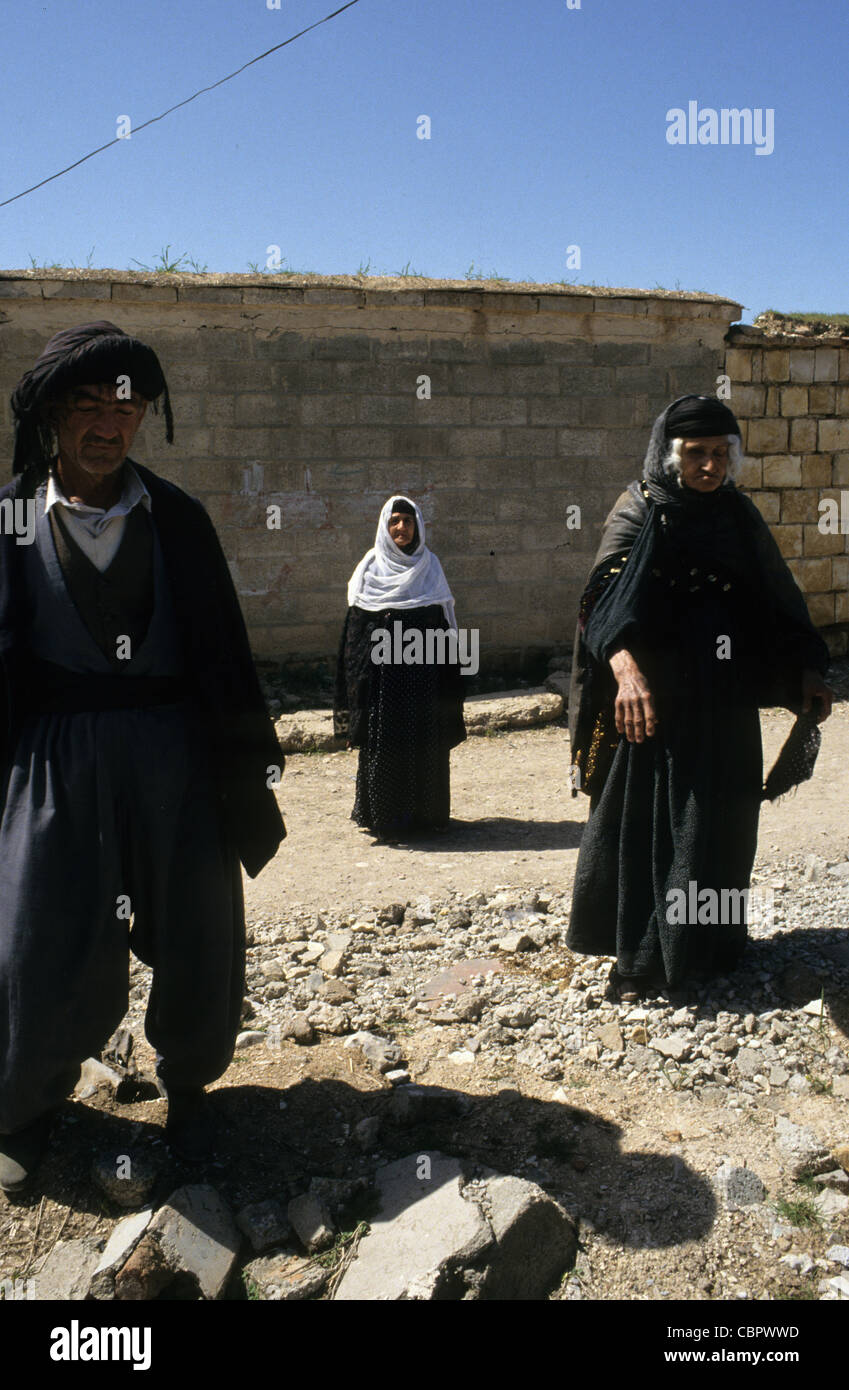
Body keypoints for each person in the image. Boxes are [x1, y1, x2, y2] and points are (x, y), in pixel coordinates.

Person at [0, 321, 285, 1189]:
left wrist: (241, 771)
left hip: (174, 759)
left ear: (144, 417)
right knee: (32, 936)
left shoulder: (181, 521)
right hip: (54, 763)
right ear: (52, 415)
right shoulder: (10, 519)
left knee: (200, 928)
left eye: (124, 405)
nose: (105, 422)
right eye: (84, 404)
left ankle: (191, 1087)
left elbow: (226, 655)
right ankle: (25, 1104)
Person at [566, 395, 832, 1000]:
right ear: (670, 453)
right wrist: (627, 673)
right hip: (654, 704)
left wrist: (804, 672)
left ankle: (709, 947)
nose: (709, 467)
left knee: (723, 820)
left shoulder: (737, 516)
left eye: (720, 454)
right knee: (651, 826)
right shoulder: (640, 508)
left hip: (725, 697)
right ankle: (638, 961)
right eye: (695, 454)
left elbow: (776, 602)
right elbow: (598, 605)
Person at [334, 495, 466, 841]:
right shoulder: (370, 569)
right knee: (386, 742)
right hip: (383, 682)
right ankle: (385, 819)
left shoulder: (430, 566)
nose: (401, 528)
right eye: (395, 521)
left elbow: (444, 623)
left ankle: (428, 816)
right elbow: (355, 631)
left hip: (423, 677)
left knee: (426, 740)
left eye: (408, 521)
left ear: (418, 526)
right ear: (385, 526)